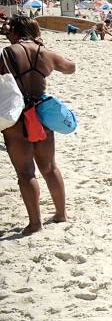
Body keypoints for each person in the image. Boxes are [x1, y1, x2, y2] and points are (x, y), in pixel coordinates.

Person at [1, 17, 76, 235]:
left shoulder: (7, 53)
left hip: (16, 116)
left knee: (25, 173)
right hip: (40, 114)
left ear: (15, 31)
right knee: (50, 168)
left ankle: (35, 224)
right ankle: (61, 214)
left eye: (9, 31)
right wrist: (44, 48)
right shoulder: (44, 52)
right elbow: (70, 67)